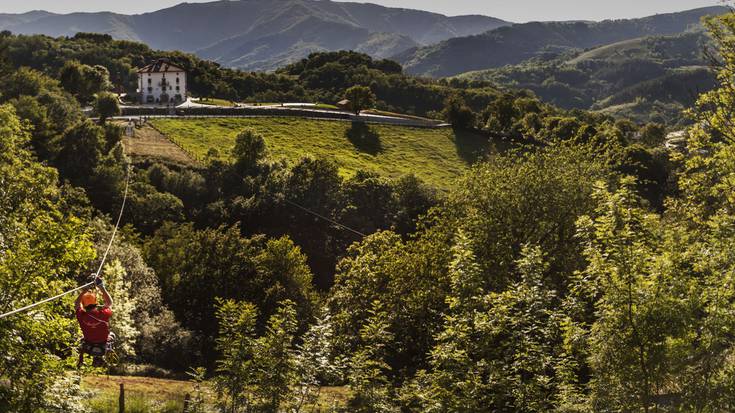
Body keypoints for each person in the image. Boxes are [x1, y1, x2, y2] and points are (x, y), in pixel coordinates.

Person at [75, 276, 114, 367]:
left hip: (94, 343)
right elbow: (109, 303)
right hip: (93, 343)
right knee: (112, 335)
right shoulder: (102, 314)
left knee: (111, 336)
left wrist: (84, 291)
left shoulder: (82, 316)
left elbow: (76, 304)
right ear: (96, 302)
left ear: (84, 304)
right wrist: (101, 288)